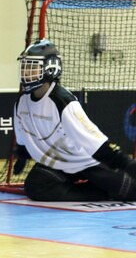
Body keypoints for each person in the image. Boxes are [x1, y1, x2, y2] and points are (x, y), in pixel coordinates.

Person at [14, 39, 136, 201]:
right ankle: (100, 193)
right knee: (36, 186)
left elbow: (94, 142)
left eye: (32, 67)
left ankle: (108, 188)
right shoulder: (22, 103)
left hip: (85, 161)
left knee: (130, 191)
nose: (26, 73)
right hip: (58, 163)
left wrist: (126, 163)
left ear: (50, 69)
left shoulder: (63, 101)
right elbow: (22, 137)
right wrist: (22, 156)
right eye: (24, 67)